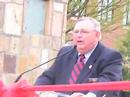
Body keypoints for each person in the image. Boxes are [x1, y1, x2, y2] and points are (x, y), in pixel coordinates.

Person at [34, 17, 123, 97]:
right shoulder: (65, 52)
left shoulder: (110, 56)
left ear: (97, 35)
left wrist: (90, 95)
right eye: (76, 32)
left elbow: (108, 80)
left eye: (84, 32)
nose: (78, 35)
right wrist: (41, 91)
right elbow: (48, 76)